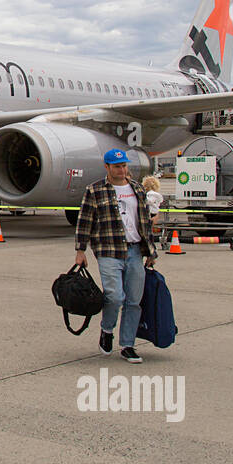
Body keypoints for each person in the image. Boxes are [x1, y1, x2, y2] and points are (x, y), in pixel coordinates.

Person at [74, 149, 158, 364]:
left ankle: (128, 345)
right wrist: (80, 250)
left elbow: (145, 223)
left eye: (124, 166)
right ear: (107, 167)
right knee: (114, 296)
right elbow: (85, 221)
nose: (122, 170)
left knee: (134, 301)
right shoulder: (95, 190)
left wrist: (150, 252)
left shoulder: (137, 189)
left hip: (134, 251)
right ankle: (107, 329)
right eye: (117, 166)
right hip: (108, 250)